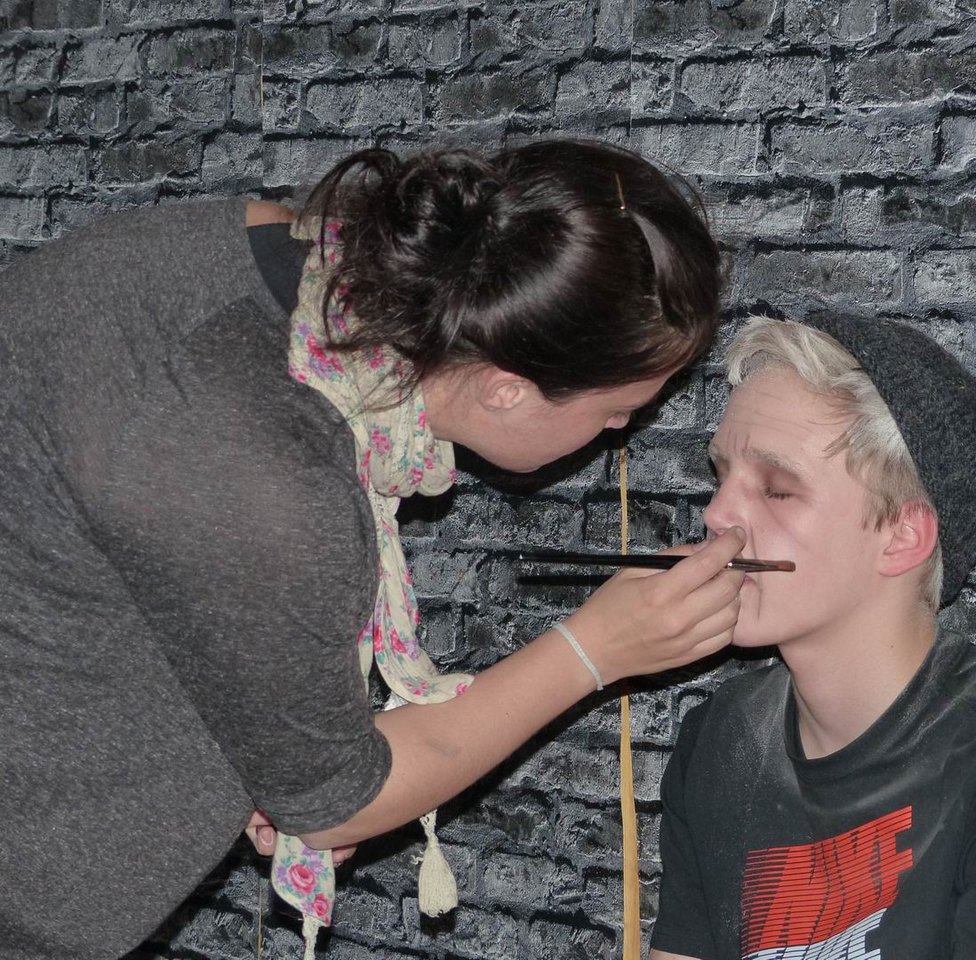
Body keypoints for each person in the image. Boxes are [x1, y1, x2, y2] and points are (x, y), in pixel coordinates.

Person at [0, 139, 749, 959]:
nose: (624, 429)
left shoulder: (269, 252)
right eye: (618, 412)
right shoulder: (272, 485)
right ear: (507, 389)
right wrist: (595, 650)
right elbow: (339, 806)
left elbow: (139, 558)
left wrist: (272, 738)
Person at [650, 314, 976, 960]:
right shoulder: (723, 740)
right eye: (721, 475)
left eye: (777, 490)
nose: (717, 513)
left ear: (902, 537)